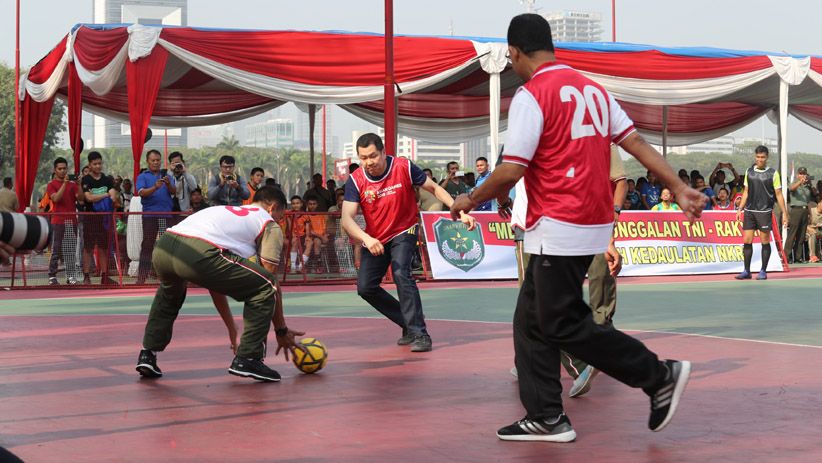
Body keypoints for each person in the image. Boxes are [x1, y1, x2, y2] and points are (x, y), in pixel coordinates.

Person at [451, 14, 705, 442]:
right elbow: (636, 142)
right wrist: (677, 186)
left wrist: (469, 198)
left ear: (514, 53)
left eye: (510, 58)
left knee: (561, 323)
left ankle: (658, 375)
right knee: (529, 320)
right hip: (590, 220)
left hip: (557, 223)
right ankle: (546, 415)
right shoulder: (593, 89)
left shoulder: (533, 95)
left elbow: (512, 168)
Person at [136, 186, 302, 382]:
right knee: (265, 286)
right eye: (280, 217)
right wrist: (281, 329)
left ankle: (148, 354)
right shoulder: (268, 223)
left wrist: (232, 328)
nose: (279, 222)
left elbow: (215, 283)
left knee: (170, 295)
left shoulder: (229, 214)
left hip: (164, 247)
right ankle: (248, 358)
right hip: (198, 250)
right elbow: (269, 282)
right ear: (273, 208)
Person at [342, 133, 475, 353]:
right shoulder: (356, 180)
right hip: (375, 237)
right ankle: (407, 321)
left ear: (384, 152)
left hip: (405, 229)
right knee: (365, 288)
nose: (369, 162)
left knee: (401, 272)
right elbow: (347, 218)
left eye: (373, 156)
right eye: (363, 157)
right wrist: (366, 238)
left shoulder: (403, 167)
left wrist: (458, 211)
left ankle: (420, 333)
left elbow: (435, 188)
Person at [735, 145, 788, 280]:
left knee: (765, 241)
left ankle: (763, 271)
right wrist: (740, 208)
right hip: (749, 211)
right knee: (747, 241)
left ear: (767, 157)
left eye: (763, 157)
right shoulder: (749, 172)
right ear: (755, 157)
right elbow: (746, 191)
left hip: (764, 212)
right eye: (758, 157)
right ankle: (746, 271)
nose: (760, 160)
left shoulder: (773, 173)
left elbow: (779, 194)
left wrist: (785, 214)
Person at [135, 150, 177, 285]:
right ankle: (142, 277)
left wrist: (168, 184)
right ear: (148, 161)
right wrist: (155, 187)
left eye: (158, 160)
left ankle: (168, 276)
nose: (156, 162)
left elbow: (174, 192)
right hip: (150, 215)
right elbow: (141, 193)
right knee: (147, 244)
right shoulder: (142, 176)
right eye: (153, 160)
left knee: (167, 246)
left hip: (166, 214)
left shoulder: (167, 176)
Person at [80, 151, 120, 285]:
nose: (98, 166)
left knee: (103, 248)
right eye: (95, 164)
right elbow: (88, 198)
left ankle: (104, 275)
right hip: (90, 218)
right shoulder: (86, 180)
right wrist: (105, 195)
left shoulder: (107, 179)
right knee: (88, 248)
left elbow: (114, 196)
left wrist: (105, 195)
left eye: (99, 163)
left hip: (105, 219)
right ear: (89, 165)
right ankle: (86, 276)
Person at [46, 157, 83, 285]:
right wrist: (65, 184)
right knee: (56, 249)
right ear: (55, 170)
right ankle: (52, 276)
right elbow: (55, 198)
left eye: (64, 168)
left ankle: (71, 276)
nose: (62, 171)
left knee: (70, 249)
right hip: (57, 221)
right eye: (59, 169)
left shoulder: (73, 185)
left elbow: (81, 199)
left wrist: (78, 185)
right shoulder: (51, 185)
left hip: (72, 220)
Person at [784, 167, 816, 263]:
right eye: (801, 173)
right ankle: (787, 256)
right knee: (792, 234)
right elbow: (791, 188)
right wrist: (800, 182)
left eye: (804, 173)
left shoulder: (807, 187)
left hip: (804, 210)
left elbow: (809, 200)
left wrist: (810, 214)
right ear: (798, 175)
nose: (802, 175)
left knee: (801, 235)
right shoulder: (794, 183)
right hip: (796, 210)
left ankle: (798, 257)